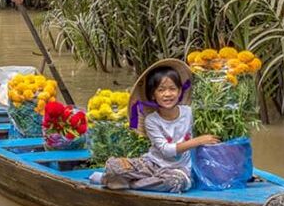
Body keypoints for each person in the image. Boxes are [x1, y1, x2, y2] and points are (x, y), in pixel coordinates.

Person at [94, 59, 219, 192]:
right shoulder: (151, 120)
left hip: (178, 170)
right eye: (161, 90)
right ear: (153, 95)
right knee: (114, 165)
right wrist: (198, 141)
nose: (167, 94)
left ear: (179, 91)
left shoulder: (189, 113)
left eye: (172, 89)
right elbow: (166, 150)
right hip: (151, 165)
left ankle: (129, 183)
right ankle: (135, 180)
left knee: (176, 182)